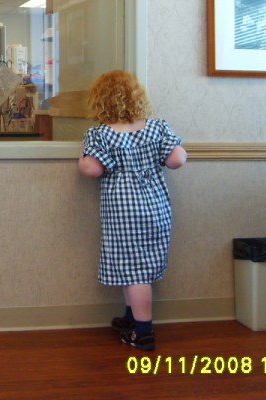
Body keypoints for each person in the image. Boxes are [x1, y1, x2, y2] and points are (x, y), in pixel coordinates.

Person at [78, 69, 187, 351]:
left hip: (124, 211)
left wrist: (83, 157)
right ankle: (130, 318)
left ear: (100, 101)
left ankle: (144, 333)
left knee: (134, 271)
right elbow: (176, 160)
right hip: (157, 208)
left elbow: (92, 169)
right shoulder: (157, 127)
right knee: (138, 267)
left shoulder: (100, 134)